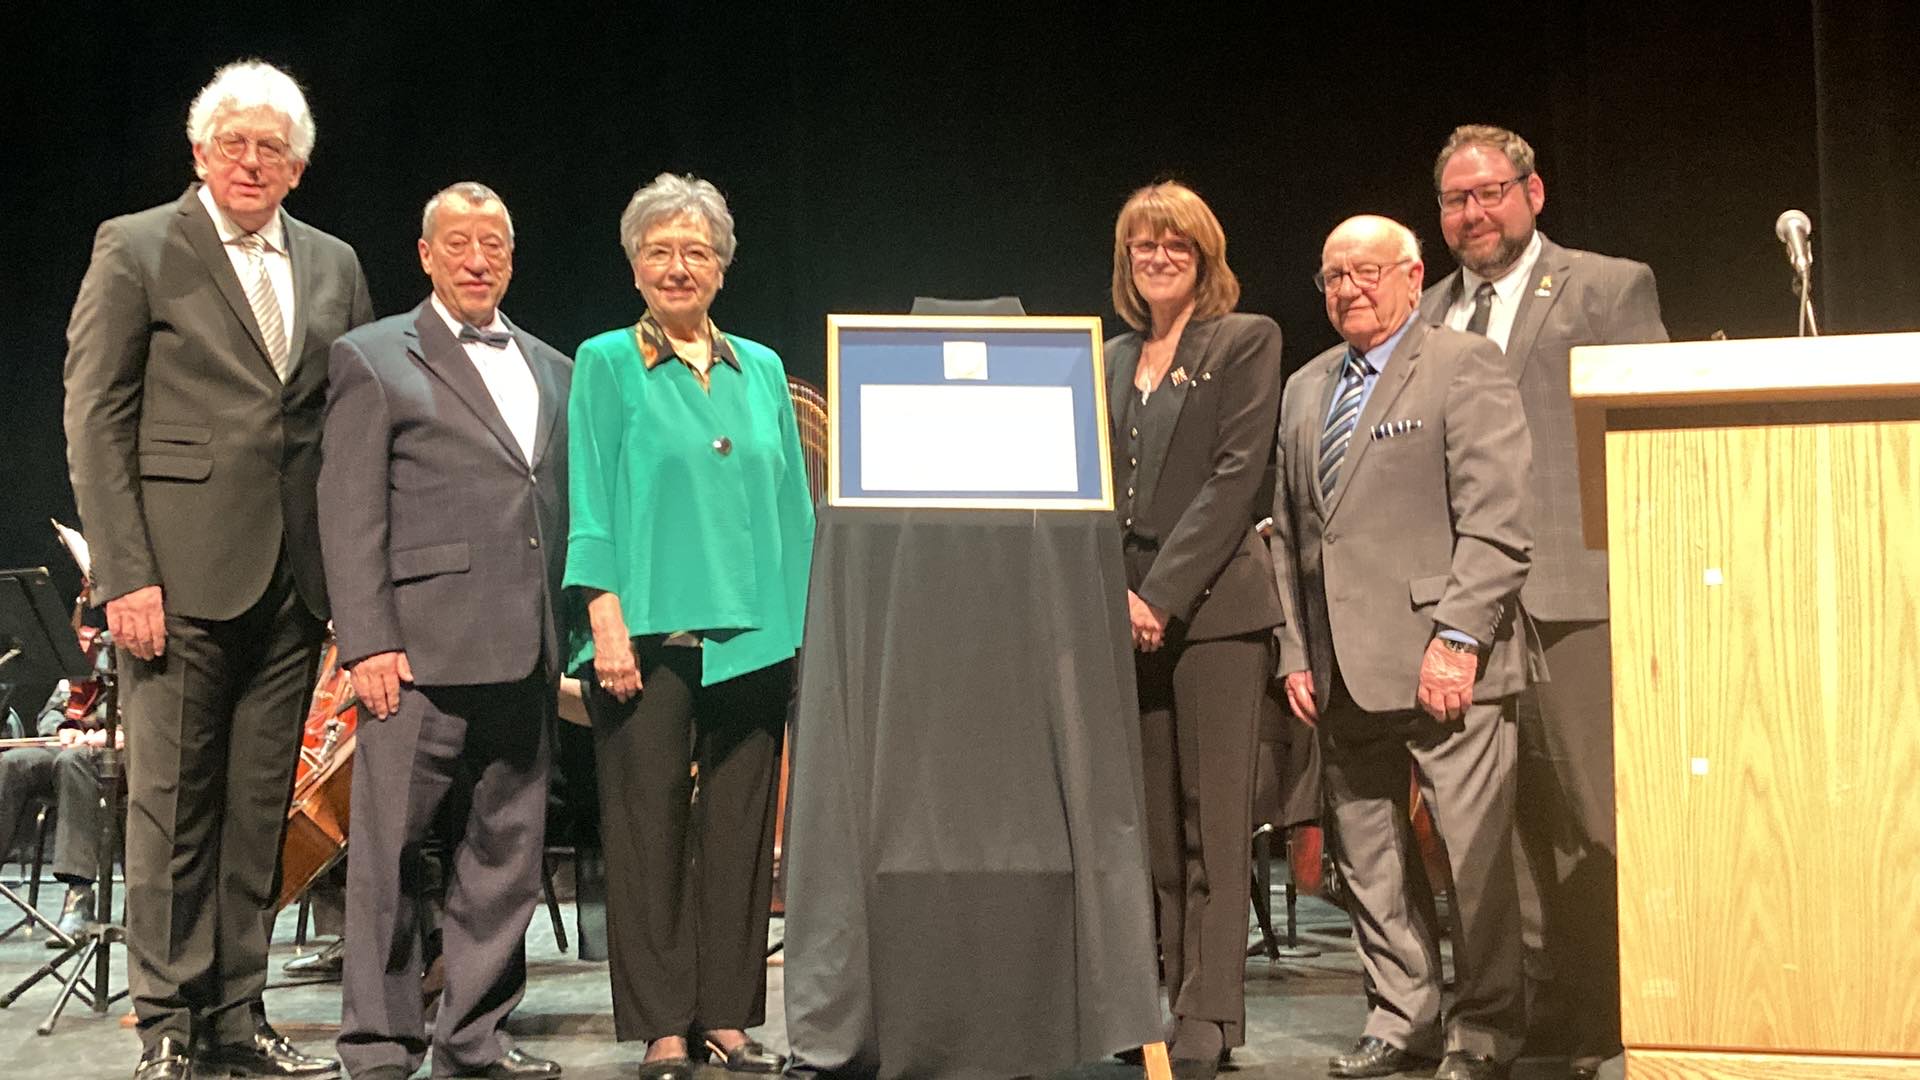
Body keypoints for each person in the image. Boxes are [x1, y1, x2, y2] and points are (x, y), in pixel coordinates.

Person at [62, 58, 372, 1080]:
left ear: (297, 167)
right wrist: (125, 572)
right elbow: (97, 418)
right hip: (176, 580)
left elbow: (349, 429)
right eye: (233, 141)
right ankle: (168, 1027)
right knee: (170, 809)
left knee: (255, 815)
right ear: (199, 151)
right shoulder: (138, 246)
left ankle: (237, 1020)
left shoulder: (333, 263)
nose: (251, 159)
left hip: (294, 579)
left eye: (271, 147)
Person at [1418, 125, 1668, 1080]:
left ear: (1534, 192)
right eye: (1454, 200)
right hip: (1466, 607)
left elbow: (1647, 431)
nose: (1472, 214)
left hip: (1577, 589)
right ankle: (1517, 1025)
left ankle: (1615, 1021)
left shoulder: (1608, 285)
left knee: (1593, 818)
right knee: (1494, 828)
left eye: (1488, 193)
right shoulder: (1428, 312)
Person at [318, 182, 571, 1080]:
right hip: (416, 655)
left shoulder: (553, 365)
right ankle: (380, 1046)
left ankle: (473, 1039)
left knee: (505, 854)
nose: (476, 260)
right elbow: (348, 515)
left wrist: (567, 639)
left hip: (524, 649)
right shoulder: (374, 355)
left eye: (493, 245)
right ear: (425, 254)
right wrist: (369, 641)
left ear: (510, 257)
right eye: (458, 243)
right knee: (388, 860)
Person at [1271, 216, 1533, 1080]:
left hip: (1444, 661)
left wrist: (1457, 640)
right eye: (1332, 275)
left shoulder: (1463, 366)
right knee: (1368, 854)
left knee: (1473, 852)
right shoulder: (1307, 387)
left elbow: (1496, 522)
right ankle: (1402, 1017)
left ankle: (1487, 1027)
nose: (1348, 288)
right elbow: (1290, 537)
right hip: (1340, 667)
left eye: (1367, 272)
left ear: (1412, 277)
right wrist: (1295, 651)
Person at [565, 173, 813, 1080]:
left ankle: (727, 1019)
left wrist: (802, 628)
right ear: (635, 267)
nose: (679, 266)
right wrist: (604, 616)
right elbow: (587, 491)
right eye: (661, 250)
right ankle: (665, 1026)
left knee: (744, 836)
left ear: (722, 268)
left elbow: (793, 508)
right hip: (645, 638)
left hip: (755, 637)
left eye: (696, 251)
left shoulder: (761, 369)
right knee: (647, 833)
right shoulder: (604, 361)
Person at [1104, 181, 1285, 1079]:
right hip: (1122, 615)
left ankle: (1212, 1012)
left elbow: (1234, 478)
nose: (1160, 257)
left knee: (1213, 824)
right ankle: (1163, 998)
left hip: (1213, 613)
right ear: (1126, 261)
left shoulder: (1245, 340)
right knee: (1150, 825)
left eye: (1176, 244)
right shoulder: (1105, 359)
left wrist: (1162, 593)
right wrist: (1113, 595)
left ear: (1204, 255)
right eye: (1144, 245)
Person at [0, 682, 113, 943]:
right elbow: (52, 711)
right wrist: (63, 728)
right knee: (13, 763)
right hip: (74, 750)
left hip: (119, 755)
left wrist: (93, 727)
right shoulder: (86, 659)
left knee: (72, 762)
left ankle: (80, 897)